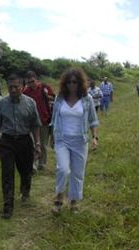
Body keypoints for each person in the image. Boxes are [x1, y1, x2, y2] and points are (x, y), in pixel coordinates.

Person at [50, 67, 99, 215]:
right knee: (63, 169)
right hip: (62, 139)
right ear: (64, 83)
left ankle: (74, 201)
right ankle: (58, 198)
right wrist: (52, 137)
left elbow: (93, 120)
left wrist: (95, 138)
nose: (72, 85)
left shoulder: (87, 99)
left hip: (80, 140)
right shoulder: (59, 98)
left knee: (77, 173)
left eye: (75, 82)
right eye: (69, 82)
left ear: (80, 83)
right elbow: (54, 120)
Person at [0, 74, 42, 219]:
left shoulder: (30, 103)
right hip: (7, 141)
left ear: (22, 87)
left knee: (25, 171)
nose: (13, 90)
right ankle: (8, 206)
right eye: (10, 87)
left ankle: (25, 191)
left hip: (24, 141)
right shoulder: (2, 103)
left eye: (16, 87)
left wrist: (37, 143)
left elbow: (35, 125)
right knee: (7, 174)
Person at [23, 71, 55, 172]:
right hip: (31, 122)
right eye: (28, 82)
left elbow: (53, 98)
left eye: (32, 81)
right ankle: (34, 164)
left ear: (36, 79)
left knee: (43, 144)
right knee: (33, 143)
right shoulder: (26, 91)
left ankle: (42, 163)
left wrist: (47, 95)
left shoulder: (44, 87)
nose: (31, 84)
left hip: (44, 119)